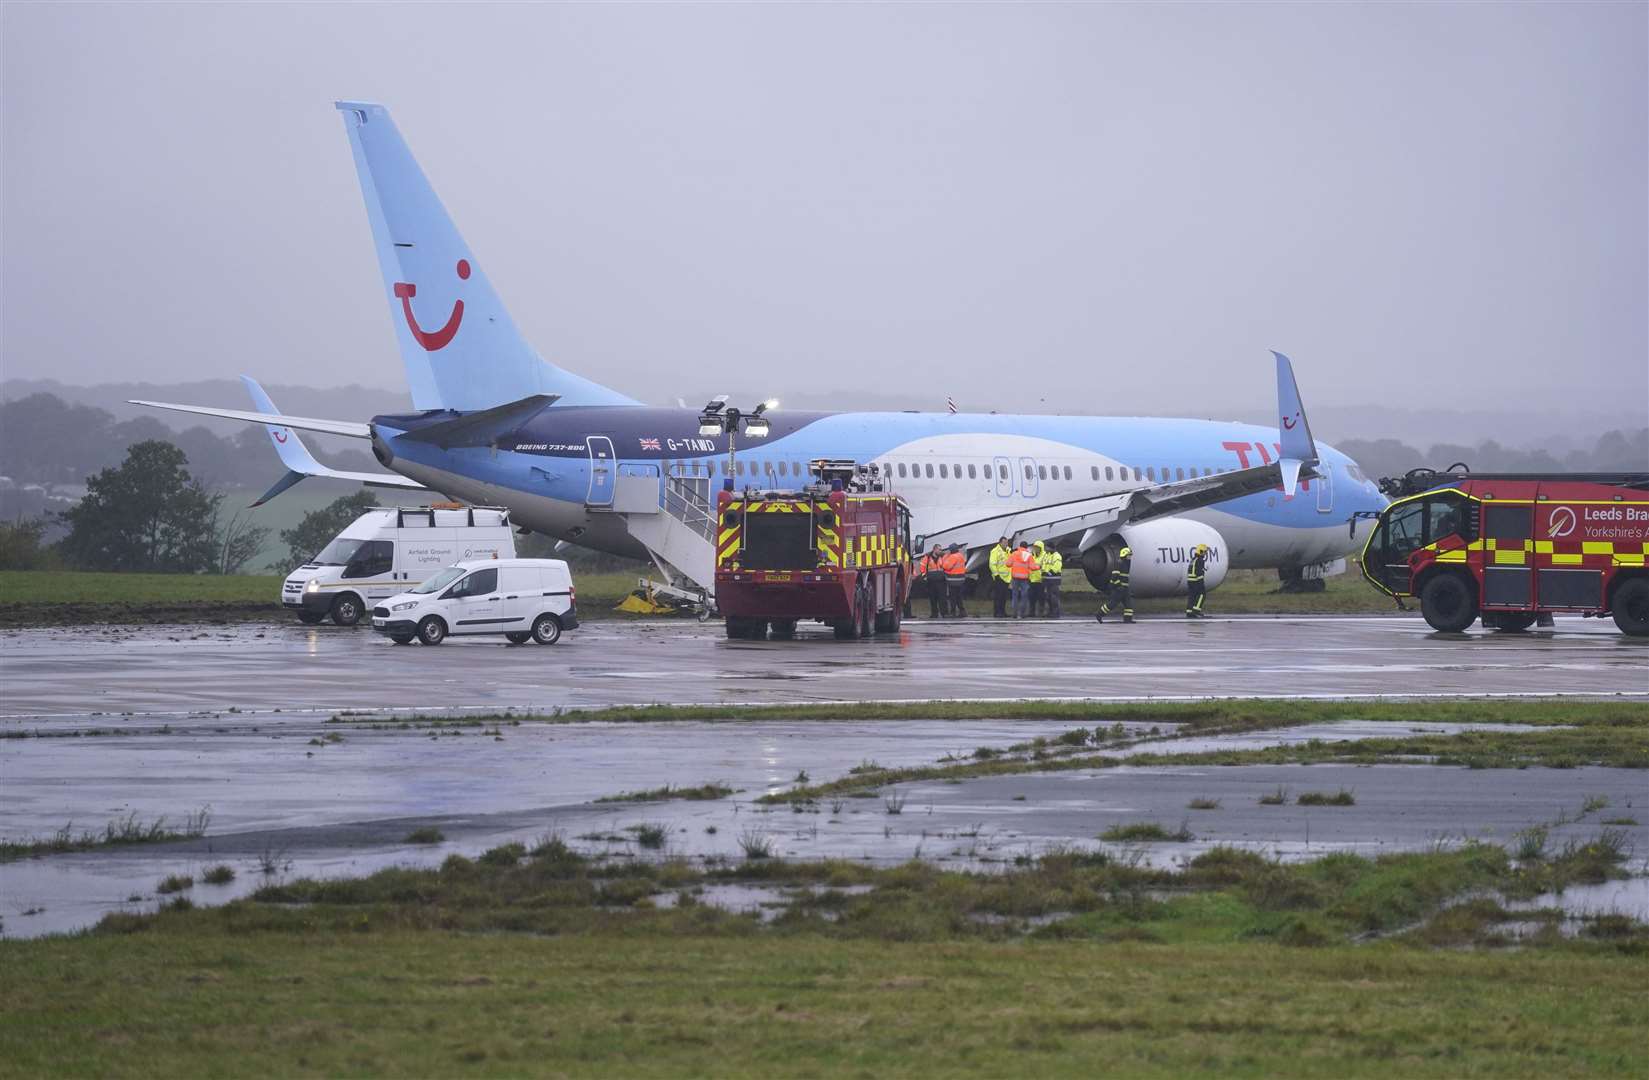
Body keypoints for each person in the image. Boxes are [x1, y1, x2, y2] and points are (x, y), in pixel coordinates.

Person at [1095, 545, 1134, 624]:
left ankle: (1128, 619)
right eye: (1129, 555)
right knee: (1112, 604)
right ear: (1124, 555)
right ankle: (1099, 614)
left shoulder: (1126, 565)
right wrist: (1119, 586)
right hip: (1118, 589)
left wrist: (1124, 587)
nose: (1130, 557)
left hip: (1125, 589)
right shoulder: (1119, 564)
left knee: (1128, 605)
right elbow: (1114, 578)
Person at [1009, 540, 1038, 618]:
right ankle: (1021, 614)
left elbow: (1008, 564)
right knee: (1024, 596)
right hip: (1024, 579)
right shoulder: (1029, 555)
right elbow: (1032, 567)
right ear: (1026, 547)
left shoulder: (1014, 554)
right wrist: (1039, 567)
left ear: (1019, 546)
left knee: (1014, 596)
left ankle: (1014, 614)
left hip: (1015, 578)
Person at [919, 543, 947, 618]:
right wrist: (924, 576)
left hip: (941, 581)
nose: (940, 551)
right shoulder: (927, 557)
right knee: (933, 598)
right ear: (934, 549)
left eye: (941, 549)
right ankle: (934, 613)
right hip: (931, 582)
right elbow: (922, 567)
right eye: (939, 549)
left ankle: (944, 613)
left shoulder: (943, 557)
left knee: (942, 598)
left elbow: (946, 566)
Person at [942, 543, 969, 617]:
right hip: (960, 579)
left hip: (953, 580)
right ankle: (962, 612)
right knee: (959, 597)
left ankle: (953, 612)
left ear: (951, 550)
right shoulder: (960, 556)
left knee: (953, 597)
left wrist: (945, 556)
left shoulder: (952, 557)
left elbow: (945, 566)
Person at [989, 536, 1012, 618]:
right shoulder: (995, 551)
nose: (1006, 544)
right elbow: (992, 564)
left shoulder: (1008, 551)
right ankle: (997, 612)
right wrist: (996, 575)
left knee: (1004, 596)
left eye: (1007, 543)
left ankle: (1002, 611)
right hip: (999, 577)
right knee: (998, 596)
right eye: (1004, 542)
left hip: (1007, 577)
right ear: (1000, 543)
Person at [1185, 543, 1208, 618]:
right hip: (1196, 581)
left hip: (1190, 581)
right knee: (1202, 595)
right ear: (1201, 552)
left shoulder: (1193, 560)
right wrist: (1201, 583)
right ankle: (1196, 611)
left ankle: (1189, 611)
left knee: (1192, 596)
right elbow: (1199, 572)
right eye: (1204, 552)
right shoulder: (1200, 560)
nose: (1205, 554)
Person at [1041, 544, 1064, 618]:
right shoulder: (1047, 555)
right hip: (1047, 580)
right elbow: (1044, 565)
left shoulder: (1057, 556)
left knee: (1054, 597)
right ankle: (1051, 612)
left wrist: (1049, 572)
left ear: (1052, 548)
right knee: (1048, 597)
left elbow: (1057, 566)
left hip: (1054, 579)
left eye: (1047, 547)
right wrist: (1043, 571)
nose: (1046, 549)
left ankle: (1056, 613)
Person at [1028, 540, 1047, 616]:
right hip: (1032, 580)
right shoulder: (1032, 556)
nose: (1035, 549)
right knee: (1032, 597)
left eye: (1037, 547)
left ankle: (1041, 612)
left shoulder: (1045, 556)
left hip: (1040, 580)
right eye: (1034, 547)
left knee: (1041, 597)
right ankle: (1031, 612)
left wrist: (1038, 567)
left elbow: (1044, 566)